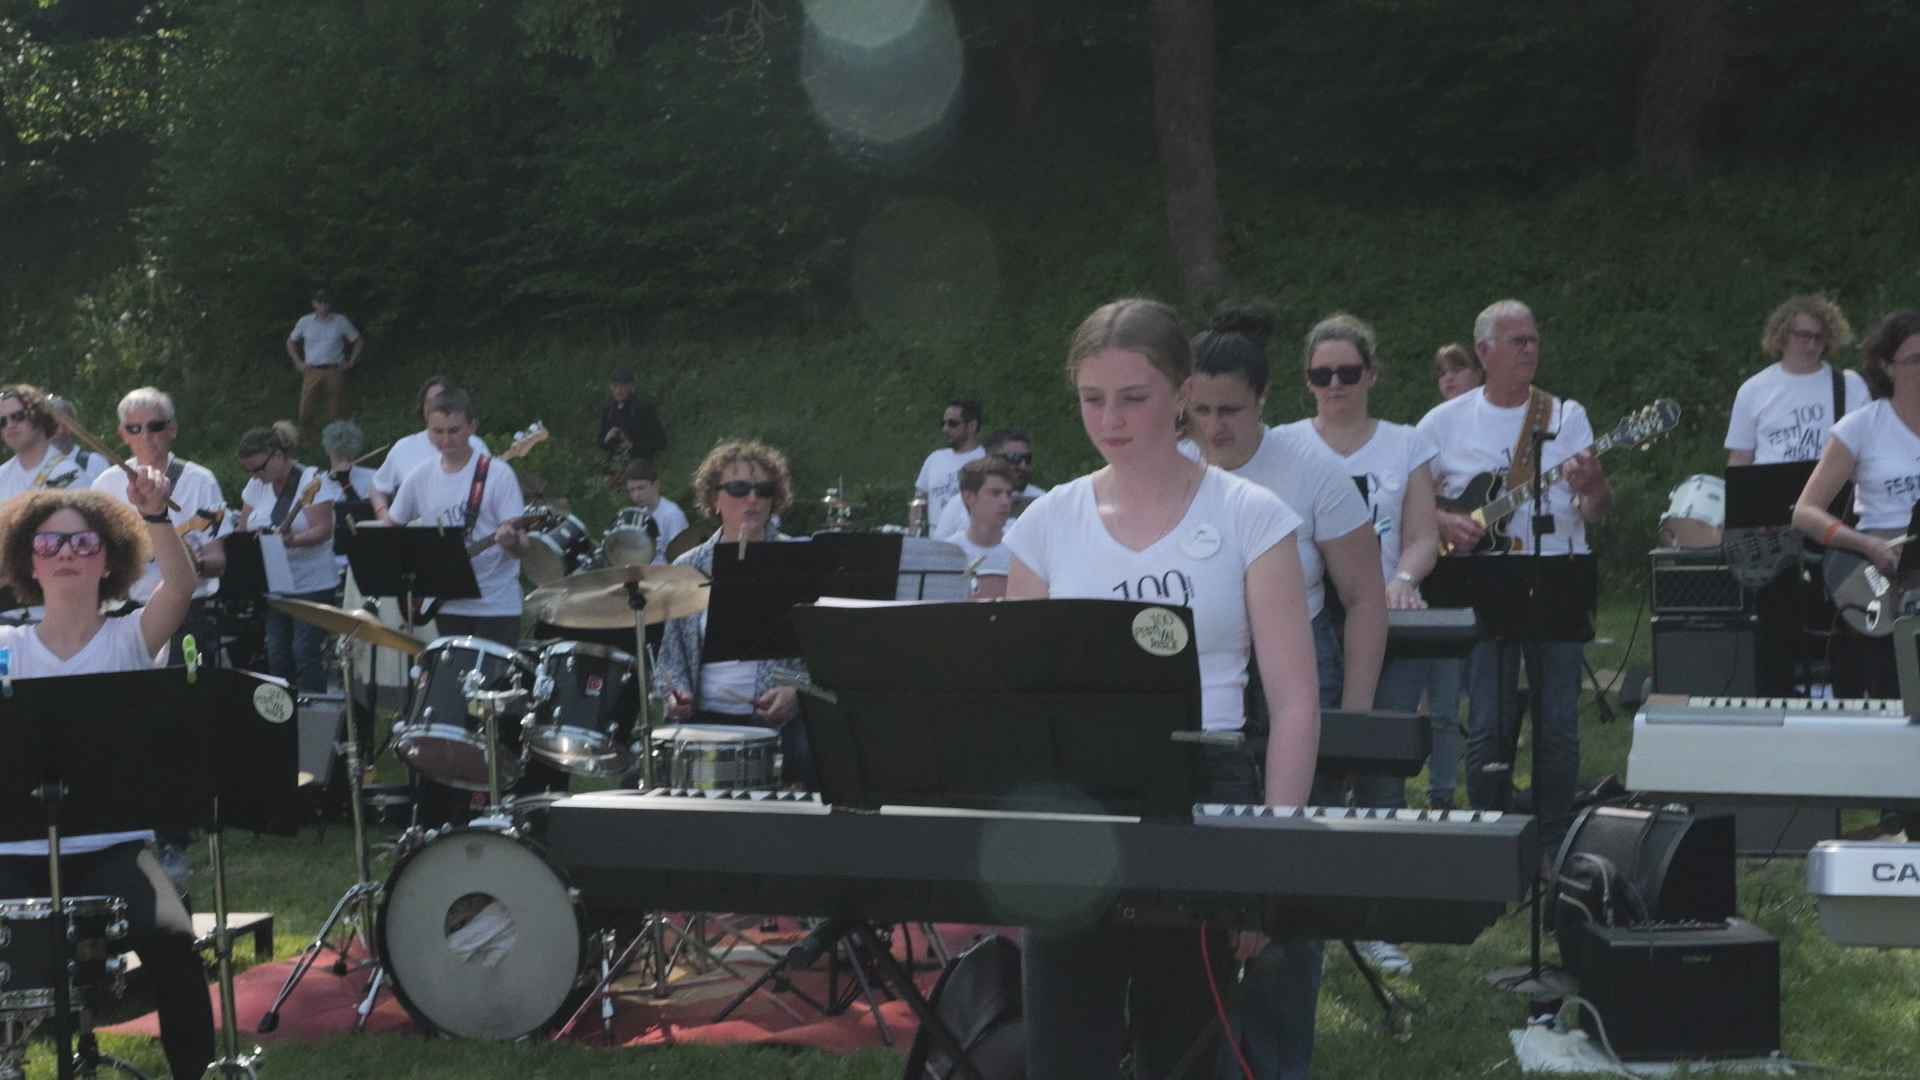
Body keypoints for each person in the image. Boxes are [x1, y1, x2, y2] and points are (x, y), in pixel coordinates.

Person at [1008, 298, 1319, 1080]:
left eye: (1132, 397)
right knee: (1064, 1050)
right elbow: (1021, 701)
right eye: (1092, 398)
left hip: (1205, 786)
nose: (1110, 419)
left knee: (1182, 1045)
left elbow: (1294, 704)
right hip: (1076, 800)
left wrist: (1269, 860)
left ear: (1180, 394)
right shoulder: (1046, 522)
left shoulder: (1251, 516)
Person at [0, 479, 216, 1080]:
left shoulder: (131, 637)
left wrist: (155, 514)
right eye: (48, 543)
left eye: (83, 542)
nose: (66, 553)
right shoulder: (6, 645)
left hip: (113, 848)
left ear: (109, 560)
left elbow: (181, 586)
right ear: (29, 563)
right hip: (14, 849)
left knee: (172, 939)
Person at [1419, 299, 1612, 868]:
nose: (1530, 350)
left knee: (1559, 724)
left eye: (1533, 341)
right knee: (1487, 722)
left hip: (1558, 573)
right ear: (1484, 351)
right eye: (1517, 341)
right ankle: (1490, 841)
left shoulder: (1565, 415)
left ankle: (1553, 844)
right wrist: (1441, 523)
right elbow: (1406, 503)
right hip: (1481, 579)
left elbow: (1596, 511)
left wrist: (1594, 485)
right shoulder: (1443, 422)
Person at [653, 440, 813, 785]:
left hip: (779, 721)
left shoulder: (799, 561)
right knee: (639, 780)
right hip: (704, 718)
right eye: (739, 489)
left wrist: (797, 692)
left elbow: (825, 656)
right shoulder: (688, 568)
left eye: (763, 490)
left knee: (819, 764)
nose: (752, 499)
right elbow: (670, 661)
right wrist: (676, 697)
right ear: (714, 497)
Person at [1793, 310, 1920, 699]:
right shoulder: (1862, 427)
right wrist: (1866, 545)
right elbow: (1805, 512)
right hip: (1881, 571)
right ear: (1887, 367)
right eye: (1914, 360)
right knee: (1893, 690)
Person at [94, 386, 233, 666]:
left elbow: (218, 562)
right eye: (134, 428)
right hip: (121, 613)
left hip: (185, 613)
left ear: (172, 429)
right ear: (123, 434)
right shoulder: (105, 484)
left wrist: (194, 563)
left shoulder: (200, 481)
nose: (145, 436)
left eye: (155, 426)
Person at [386, 388, 531, 643]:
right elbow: (391, 529)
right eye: (437, 432)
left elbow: (522, 547)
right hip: (446, 603)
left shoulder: (498, 474)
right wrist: (418, 565)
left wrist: (512, 542)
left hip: (495, 605)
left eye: (454, 431)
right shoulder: (420, 477)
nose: (445, 440)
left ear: (472, 427)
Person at [237, 422, 341, 693]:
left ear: (278, 456)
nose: (255, 475)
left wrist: (293, 541)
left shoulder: (311, 481)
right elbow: (243, 529)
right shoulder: (256, 485)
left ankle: (315, 707)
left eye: (259, 468)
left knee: (304, 651)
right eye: (250, 470)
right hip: (275, 583)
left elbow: (323, 529)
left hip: (312, 583)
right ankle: (283, 708)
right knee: (277, 652)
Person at [1728, 296, 1865, 466]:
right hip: (1770, 481)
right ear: (1782, 335)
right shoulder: (1753, 389)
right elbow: (1741, 456)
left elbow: (1868, 449)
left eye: (1819, 337)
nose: (1811, 345)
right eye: (1803, 336)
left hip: (1832, 481)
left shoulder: (1849, 385)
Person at [370, 375, 488, 520]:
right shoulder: (403, 447)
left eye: (440, 399)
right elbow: (377, 487)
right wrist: (383, 514)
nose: (435, 405)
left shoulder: (474, 444)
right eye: (429, 402)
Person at [930, 427, 1046, 538]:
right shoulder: (960, 503)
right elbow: (941, 548)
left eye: (1027, 459)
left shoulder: (1041, 500)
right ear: (990, 458)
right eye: (1014, 458)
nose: (1023, 466)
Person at [286, 288, 364, 443]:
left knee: (335, 412)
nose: (323, 305)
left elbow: (358, 341)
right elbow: (291, 342)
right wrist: (298, 362)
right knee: (305, 412)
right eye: (319, 301)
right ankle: (312, 441)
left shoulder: (340, 321)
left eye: (326, 301)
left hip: (334, 370)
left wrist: (351, 361)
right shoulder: (305, 322)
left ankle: (337, 443)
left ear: (330, 303)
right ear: (314, 304)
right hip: (312, 370)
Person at [943, 457, 1016, 598]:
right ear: (969, 498)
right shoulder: (948, 552)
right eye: (995, 493)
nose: (1005, 501)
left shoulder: (1020, 551)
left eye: (1009, 494)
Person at [0, 384, 88, 499]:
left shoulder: (69, 474)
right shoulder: (2, 476)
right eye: (2, 422)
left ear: (38, 417)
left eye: (18, 416)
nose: (10, 425)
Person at [914, 398, 985, 529]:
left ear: (972, 426)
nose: (945, 429)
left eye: (953, 424)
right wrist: (914, 532)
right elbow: (920, 499)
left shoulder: (986, 461)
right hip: (935, 537)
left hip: (970, 535)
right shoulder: (934, 459)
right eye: (943, 423)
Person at [623, 458, 689, 563]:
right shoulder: (642, 515)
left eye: (641, 488)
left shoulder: (671, 515)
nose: (636, 495)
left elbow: (681, 555)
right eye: (632, 490)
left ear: (655, 485)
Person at [599, 367, 668, 461]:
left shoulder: (643, 409)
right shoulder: (608, 411)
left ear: (630, 387)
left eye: (622, 386)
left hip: (640, 460)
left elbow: (660, 442)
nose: (619, 391)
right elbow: (601, 442)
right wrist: (607, 438)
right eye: (615, 386)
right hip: (615, 461)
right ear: (611, 388)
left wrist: (632, 446)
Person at [45, 396, 111, 485]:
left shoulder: (95, 463)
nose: (61, 431)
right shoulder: (33, 468)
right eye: (55, 425)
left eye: (66, 424)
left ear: (76, 428)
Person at [323, 419, 378, 502]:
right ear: (327, 450)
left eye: (347, 452)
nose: (343, 457)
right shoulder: (318, 485)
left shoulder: (373, 478)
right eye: (339, 453)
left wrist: (345, 482)